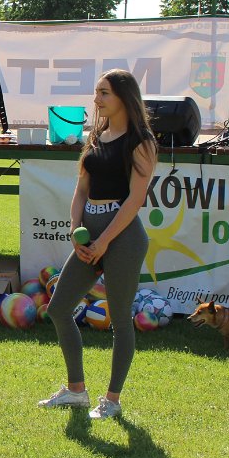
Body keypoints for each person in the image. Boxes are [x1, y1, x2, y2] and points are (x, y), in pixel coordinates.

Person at [39, 69, 157, 420]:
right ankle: (76, 391)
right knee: (58, 309)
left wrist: (104, 241)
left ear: (124, 97)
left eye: (104, 93)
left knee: (120, 320)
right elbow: (81, 189)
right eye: (97, 92)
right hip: (89, 235)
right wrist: (76, 229)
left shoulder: (141, 141)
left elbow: (135, 200)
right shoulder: (97, 135)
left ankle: (112, 400)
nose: (96, 99)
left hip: (123, 239)